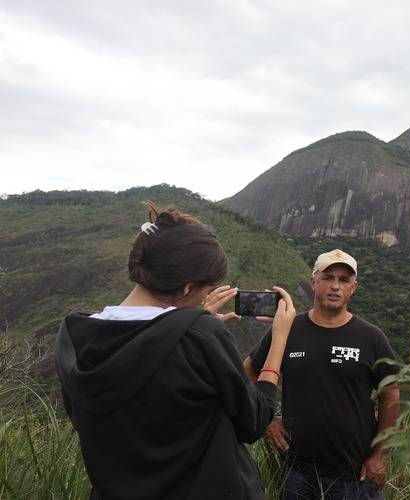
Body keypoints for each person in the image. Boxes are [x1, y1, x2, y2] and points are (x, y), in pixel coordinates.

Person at [55, 202, 296, 499]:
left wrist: (189, 324)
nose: (205, 298)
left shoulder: (74, 336)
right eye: (206, 290)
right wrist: (279, 338)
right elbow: (254, 422)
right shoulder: (200, 335)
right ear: (186, 288)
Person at [243, 249, 401, 500]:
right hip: (298, 473)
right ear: (313, 281)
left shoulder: (371, 337)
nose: (335, 286)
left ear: (353, 287)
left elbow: (391, 396)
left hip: (357, 474)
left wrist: (380, 455)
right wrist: (267, 420)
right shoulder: (287, 329)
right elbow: (248, 373)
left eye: (344, 280)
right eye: (328, 277)